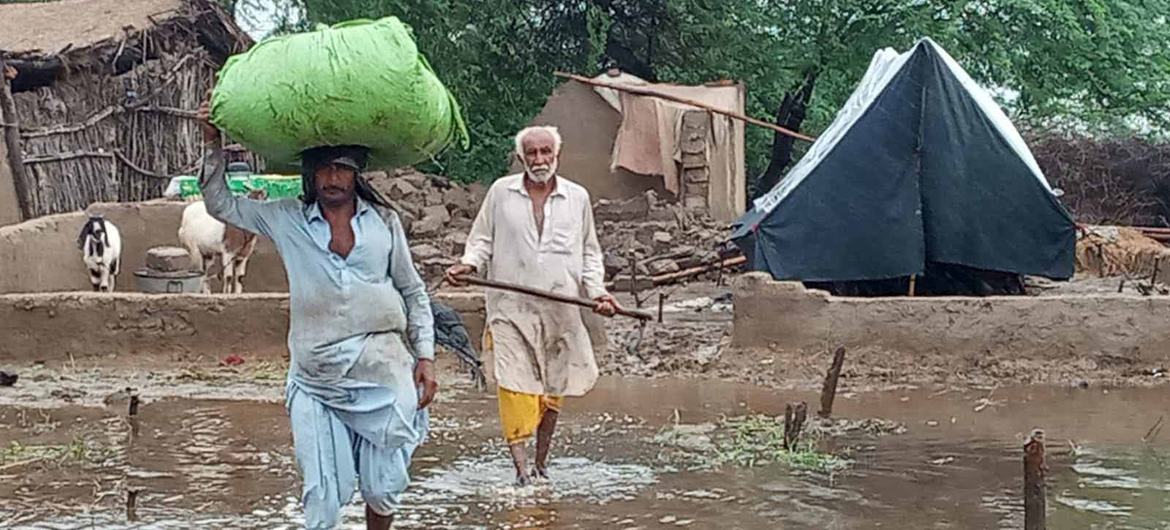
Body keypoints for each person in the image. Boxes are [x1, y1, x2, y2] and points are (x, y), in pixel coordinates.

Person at [196, 99, 438, 530]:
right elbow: (221, 205)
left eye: (341, 168)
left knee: (383, 487)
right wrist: (212, 143)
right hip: (315, 377)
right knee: (322, 501)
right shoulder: (287, 219)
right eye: (323, 168)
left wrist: (425, 356)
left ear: (356, 172)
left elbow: (413, 290)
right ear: (310, 174)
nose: (332, 177)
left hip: (382, 369)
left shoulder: (384, 222)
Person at [445, 125, 618, 486]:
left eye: (545, 153)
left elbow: (589, 253)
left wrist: (598, 292)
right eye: (532, 153)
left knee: (552, 390)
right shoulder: (500, 193)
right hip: (510, 308)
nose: (539, 160)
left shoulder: (577, 198)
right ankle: (522, 471)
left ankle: (541, 464)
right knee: (514, 384)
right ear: (521, 158)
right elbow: (481, 241)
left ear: (557, 155)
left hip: (561, 308)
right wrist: (469, 264)